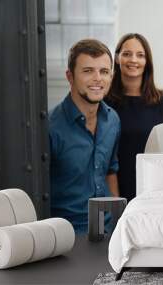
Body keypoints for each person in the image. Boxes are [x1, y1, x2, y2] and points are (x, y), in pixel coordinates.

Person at [49, 39, 120, 234]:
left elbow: (110, 171)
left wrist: (117, 224)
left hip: (107, 232)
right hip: (66, 236)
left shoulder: (112, 120)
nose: (98, 78)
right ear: (70, 76)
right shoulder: (49, 127)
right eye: (88, 71)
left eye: (104, 71)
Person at [105, 33, 163, 202]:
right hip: (113, 186)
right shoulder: (105, 102)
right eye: (127, 54)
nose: (133, 60)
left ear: (147, 61)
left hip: (152, 187)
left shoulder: (162, 102)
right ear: (118, 58)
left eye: (140, 55)